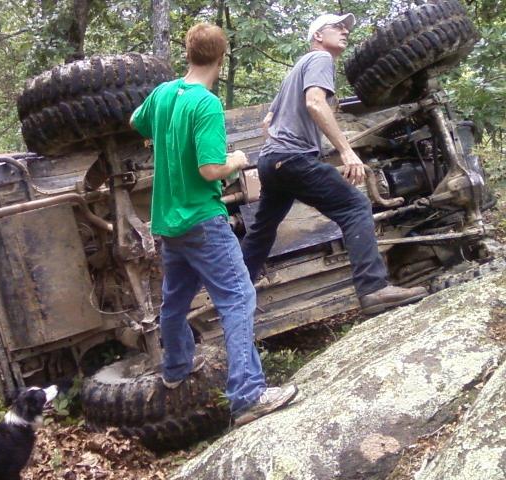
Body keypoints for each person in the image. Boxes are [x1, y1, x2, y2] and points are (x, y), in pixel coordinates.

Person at [130, 23, 298, 427]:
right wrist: (236, 161)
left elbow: (136, 121)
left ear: (188, 53)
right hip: (203, 220)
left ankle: (175, 368)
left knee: (174, 301)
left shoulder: (163, 93)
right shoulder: (206, 104)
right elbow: (210, 169)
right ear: (221, 59)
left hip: (169, 222)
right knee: (237, 297)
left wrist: (161, 136)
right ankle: (248, 395)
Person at [241, 13, 427, 315]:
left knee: (263, 231)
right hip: (292, 158)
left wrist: (282, 145)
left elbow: (267, 122)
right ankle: (374, 289)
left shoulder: (297, 69)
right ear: (318, 35)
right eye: (337, 27)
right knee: (355, 206)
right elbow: (315, 103)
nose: (345, 31)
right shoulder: (320, 59)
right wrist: (346, 151)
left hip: (271, 161)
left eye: (346, 28)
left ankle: (235, 291)